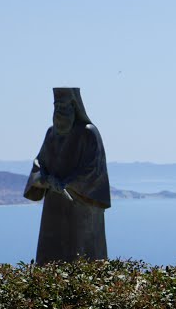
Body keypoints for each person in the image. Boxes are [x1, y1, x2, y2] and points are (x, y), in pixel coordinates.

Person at [24, 87, 111, 263]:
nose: (59, 112)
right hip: (53, 206)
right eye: (57, 107)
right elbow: (39, 163)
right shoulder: (51, 134)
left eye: (65, 107)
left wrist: (66, 184)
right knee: (50, 255)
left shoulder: (88, 133)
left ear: (75, 108)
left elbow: (94, 170)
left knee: (82, 255)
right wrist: (44, 180)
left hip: (81, 204)